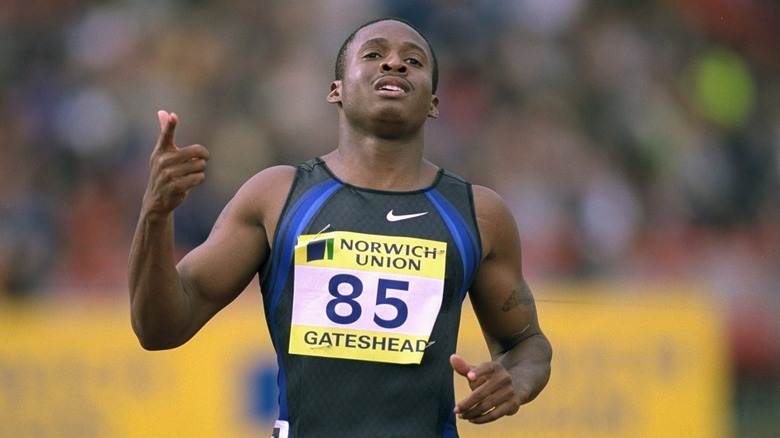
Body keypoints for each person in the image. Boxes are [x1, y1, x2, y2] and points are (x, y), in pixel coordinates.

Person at [129, 17, 552, 438]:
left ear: (434, 103)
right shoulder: (277, 197)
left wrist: (516, 380)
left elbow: (527, 344)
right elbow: (160, 328)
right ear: (337, 90)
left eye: (413, 60)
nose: (394, 64)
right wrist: (154, 216)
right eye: (373, 55)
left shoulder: (479, 214)